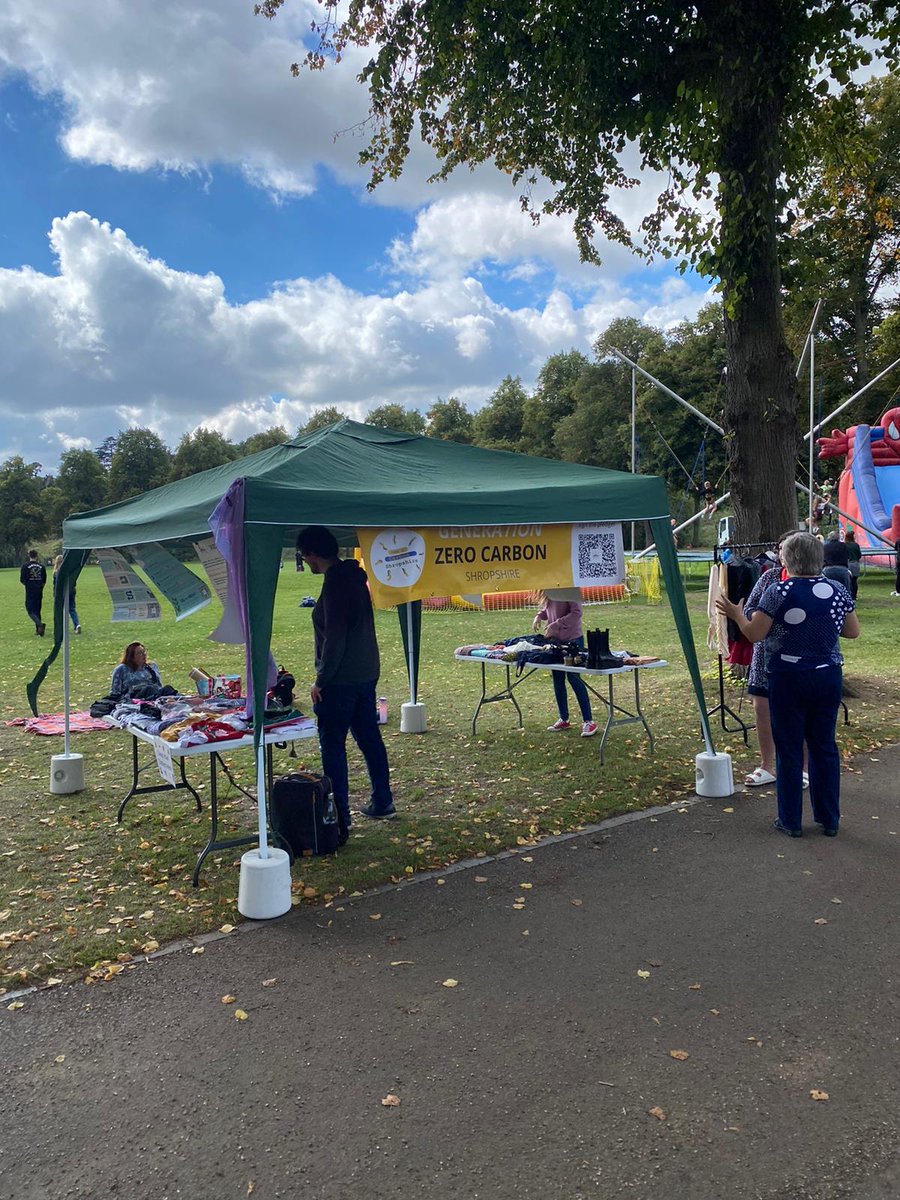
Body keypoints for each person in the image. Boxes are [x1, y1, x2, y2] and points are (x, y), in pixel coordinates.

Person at [717, 532, 859, 838]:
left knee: (790, 748)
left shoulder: (778, 591)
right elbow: (852, 632)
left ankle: (791, 820)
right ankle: (829, 818)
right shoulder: (836, 589)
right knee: (824, 747)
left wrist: (737, 615)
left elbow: (755, 634)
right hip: (827, 675)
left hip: (788, 677)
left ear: (787, 559)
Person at [296, 525, 395, 825]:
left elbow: (335, 637)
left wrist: (320, 680)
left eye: (304, 556)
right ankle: (383, 800)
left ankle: (339, 814)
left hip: (340, 680)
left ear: (312, 554)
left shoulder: (336, 582)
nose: (306, 562)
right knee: (369, 739)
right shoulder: (353, 577)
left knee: (333, 746)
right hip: (365, 673)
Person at [532, 591, 598, 737]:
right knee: (557, 677)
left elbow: (577, 613)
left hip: (573, 640)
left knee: (574, 678)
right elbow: (548, 609)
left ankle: (588, 721)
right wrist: (539, 616)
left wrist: (556, 625)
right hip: (556, 641)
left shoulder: (569, 588)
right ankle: (564, 718)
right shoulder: (549, 590)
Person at [19, 549, 47, 636]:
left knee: (30, 610)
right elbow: (44, 579)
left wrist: (28, 584)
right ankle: (38, 630)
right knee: (37, 610)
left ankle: (39, 625)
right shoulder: (42, 567)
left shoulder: (25, 566)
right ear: (36, 556)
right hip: (39, 590)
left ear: (29, 556)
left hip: (30, 590)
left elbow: (22, 580)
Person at [52, 555, 81, 633]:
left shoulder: (56, 572)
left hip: (61, 593)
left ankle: (61, 627)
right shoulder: (69, 571)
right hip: (71, 591)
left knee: (60, 610)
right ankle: (77, 624)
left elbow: (56, 585)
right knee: (72, 609)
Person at [843, 529, 861, 600]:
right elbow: (859, 555)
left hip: (847, 563)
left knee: (848, 581)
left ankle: (849, 595)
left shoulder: (844, 545)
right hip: (855, 563)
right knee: (854, 580)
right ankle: (854, 595)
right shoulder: (856, 545)